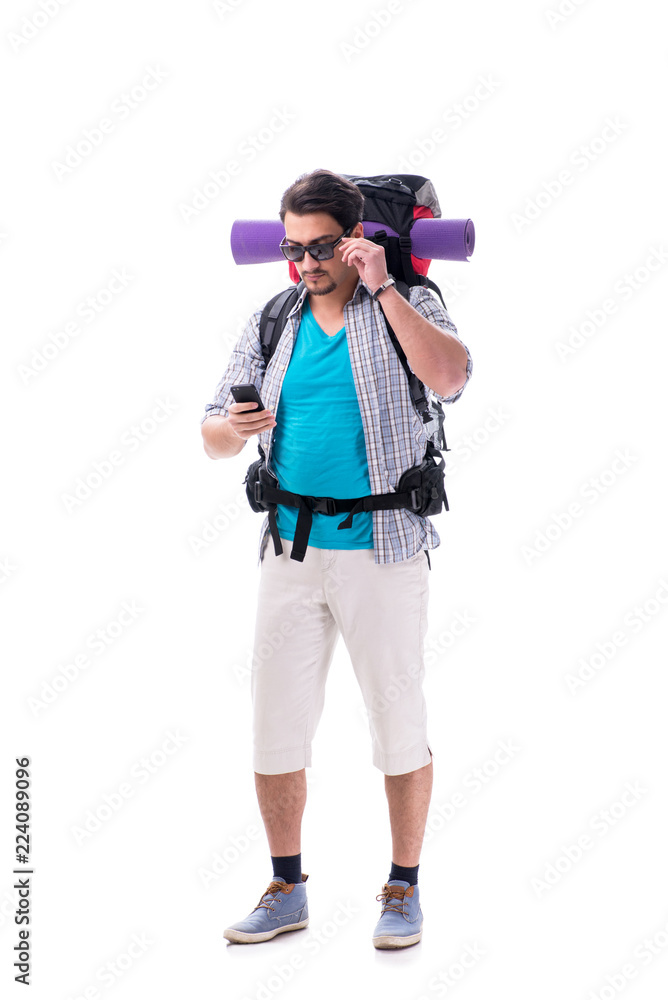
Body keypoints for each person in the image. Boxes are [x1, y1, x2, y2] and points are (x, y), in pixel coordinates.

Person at [200, 169, 473, 949]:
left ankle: (403, 888)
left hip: (383, 551)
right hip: (289, 549)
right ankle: (287, 885)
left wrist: (384, 286)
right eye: (294, 247)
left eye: (322, 246)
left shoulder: (408, 305)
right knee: (273, 727)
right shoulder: (274, 319)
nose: (307, 262)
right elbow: (211, 434)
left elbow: (450, 378)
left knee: (398, 721)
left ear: (356, 238)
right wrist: (237, 427)